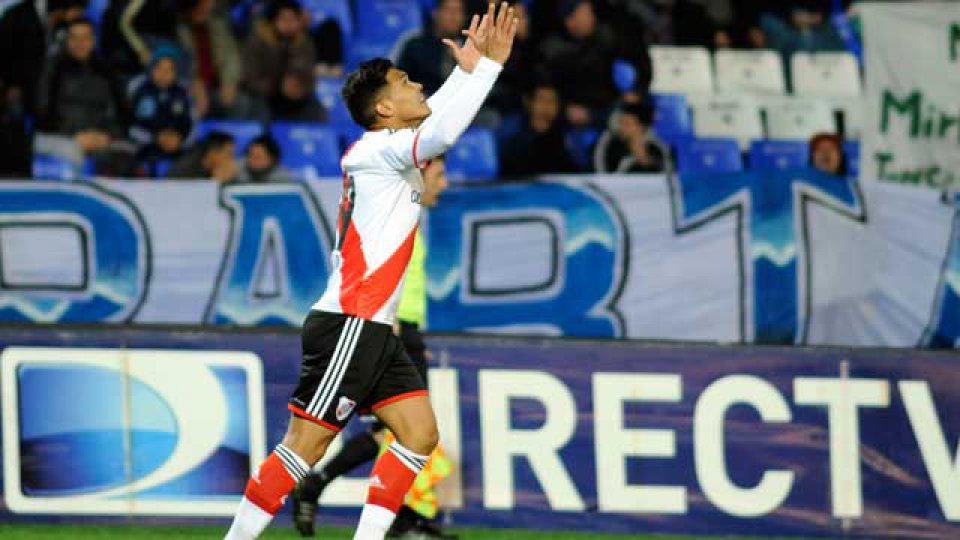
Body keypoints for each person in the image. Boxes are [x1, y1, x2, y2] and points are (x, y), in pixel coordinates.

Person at [223, 3, 517, 539]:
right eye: (405, 81)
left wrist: (469, 71)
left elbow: (433, 119)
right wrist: (489, 69)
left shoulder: (388, 147)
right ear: (383, 107)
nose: (418, 84)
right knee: (304, 445)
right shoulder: (378, 152)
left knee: (418, 433)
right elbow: (440, 134)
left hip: (373, 328)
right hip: (350, 321)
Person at [290, 157, 453, 539]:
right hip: (388, 329)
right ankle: (397, 519)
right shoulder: (395, 217)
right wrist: (391, 329)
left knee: (394, 432)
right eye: (439, 175)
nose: (444, 184)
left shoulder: (408, 218)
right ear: (419, 176)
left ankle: (325, 488)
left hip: (403, 330)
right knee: (406, 432)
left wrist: (412, 334)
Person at [35, 17, 136, 175]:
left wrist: (106, 136)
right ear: (67, 41)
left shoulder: (107, 72)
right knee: (73, 152)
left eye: (85, 38)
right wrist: (75, 135)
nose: (79, 43)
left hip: (101, 137)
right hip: (61, 137)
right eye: (74, 38)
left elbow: (121, 113)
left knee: (126, 153)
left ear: (93, 41)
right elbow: (43, 113)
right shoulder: (53, 70)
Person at [539, 0, 652, 128]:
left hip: (607, 109)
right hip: (566, 115)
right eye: (586, 13)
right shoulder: (551, 50)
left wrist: (637, 90)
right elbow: (544, 89)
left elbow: (640, 58)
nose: (592, 17)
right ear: (570, 21)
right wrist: (564, 108)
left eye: (591, 12)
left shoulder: (605, 36)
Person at [240, 0, 322, 123]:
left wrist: (299, 88)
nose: (288, 24)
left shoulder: (305, 44)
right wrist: (278, 87)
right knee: (258, 109)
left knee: (316, 110)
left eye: (293, 19)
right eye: (283, 19)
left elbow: (310, 79)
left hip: (296, 99)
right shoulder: (257, 42)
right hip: (263, 96)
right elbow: (249, 80)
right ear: (273, 21)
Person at [498, 79, 579, 177]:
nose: (547, 107)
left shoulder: (566, 137)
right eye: (541, 100)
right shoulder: (512, 138)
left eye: (552, 101)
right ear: (527, 102)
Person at [176, 0, 242, 119]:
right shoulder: (178, 31)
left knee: (243, 104)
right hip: (190, 88)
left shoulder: (218, 24)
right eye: (203, 4)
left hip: (218, 87)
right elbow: (177, 66)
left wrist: (229, 81)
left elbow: (231, 56)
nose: (209, 6)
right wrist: (193, 82)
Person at [127, 47, 194, 164]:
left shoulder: (183, 93)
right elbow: (130, 126)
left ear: (176, 73)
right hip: (145, 148)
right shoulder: (140, 91)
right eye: (159, 68)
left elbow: (192, 124)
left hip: (178, 148)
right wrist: (155, 138)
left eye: (169, 70)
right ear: (151, 69)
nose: (164, 74)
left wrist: (180, 140)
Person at [395, 0, 466, 96]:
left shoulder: (471, 48)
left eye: (458, 11)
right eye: (448, 10)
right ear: (435, 13)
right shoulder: (415, 46)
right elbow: (398, 81)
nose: (453, 17)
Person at [593, 100, 669, 174]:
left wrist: (645, 159)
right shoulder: (610, 144)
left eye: (627, 124)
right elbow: (601, 173)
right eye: (621, 123)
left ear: (641, 126)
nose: (621, 127)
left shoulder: (658, 147)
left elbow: (668, 172)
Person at [167, 130, 240, 181]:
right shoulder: (184, 170)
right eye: (229, 154)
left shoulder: (223, 170)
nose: (231, 159)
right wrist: (216, 181)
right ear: (213, 153)